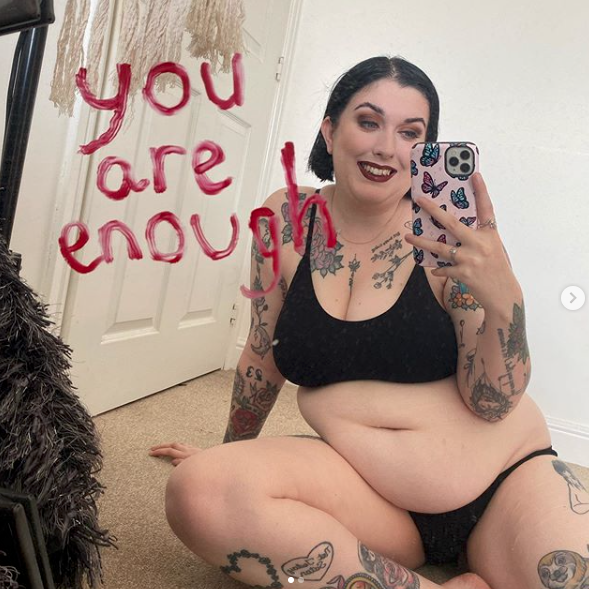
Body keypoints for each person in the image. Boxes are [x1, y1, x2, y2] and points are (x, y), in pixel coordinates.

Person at [149, 56, 588, 589]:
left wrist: (505, 300)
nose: (386, 147)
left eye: (410, 133)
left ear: (425, 150)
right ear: (330, 130)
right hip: (370, 494)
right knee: (200, 493)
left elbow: (491, 402)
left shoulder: (449, 236)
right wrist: (232, 455)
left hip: (507, 478)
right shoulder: (285, 220)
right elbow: (262, 356)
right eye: (368, 121)